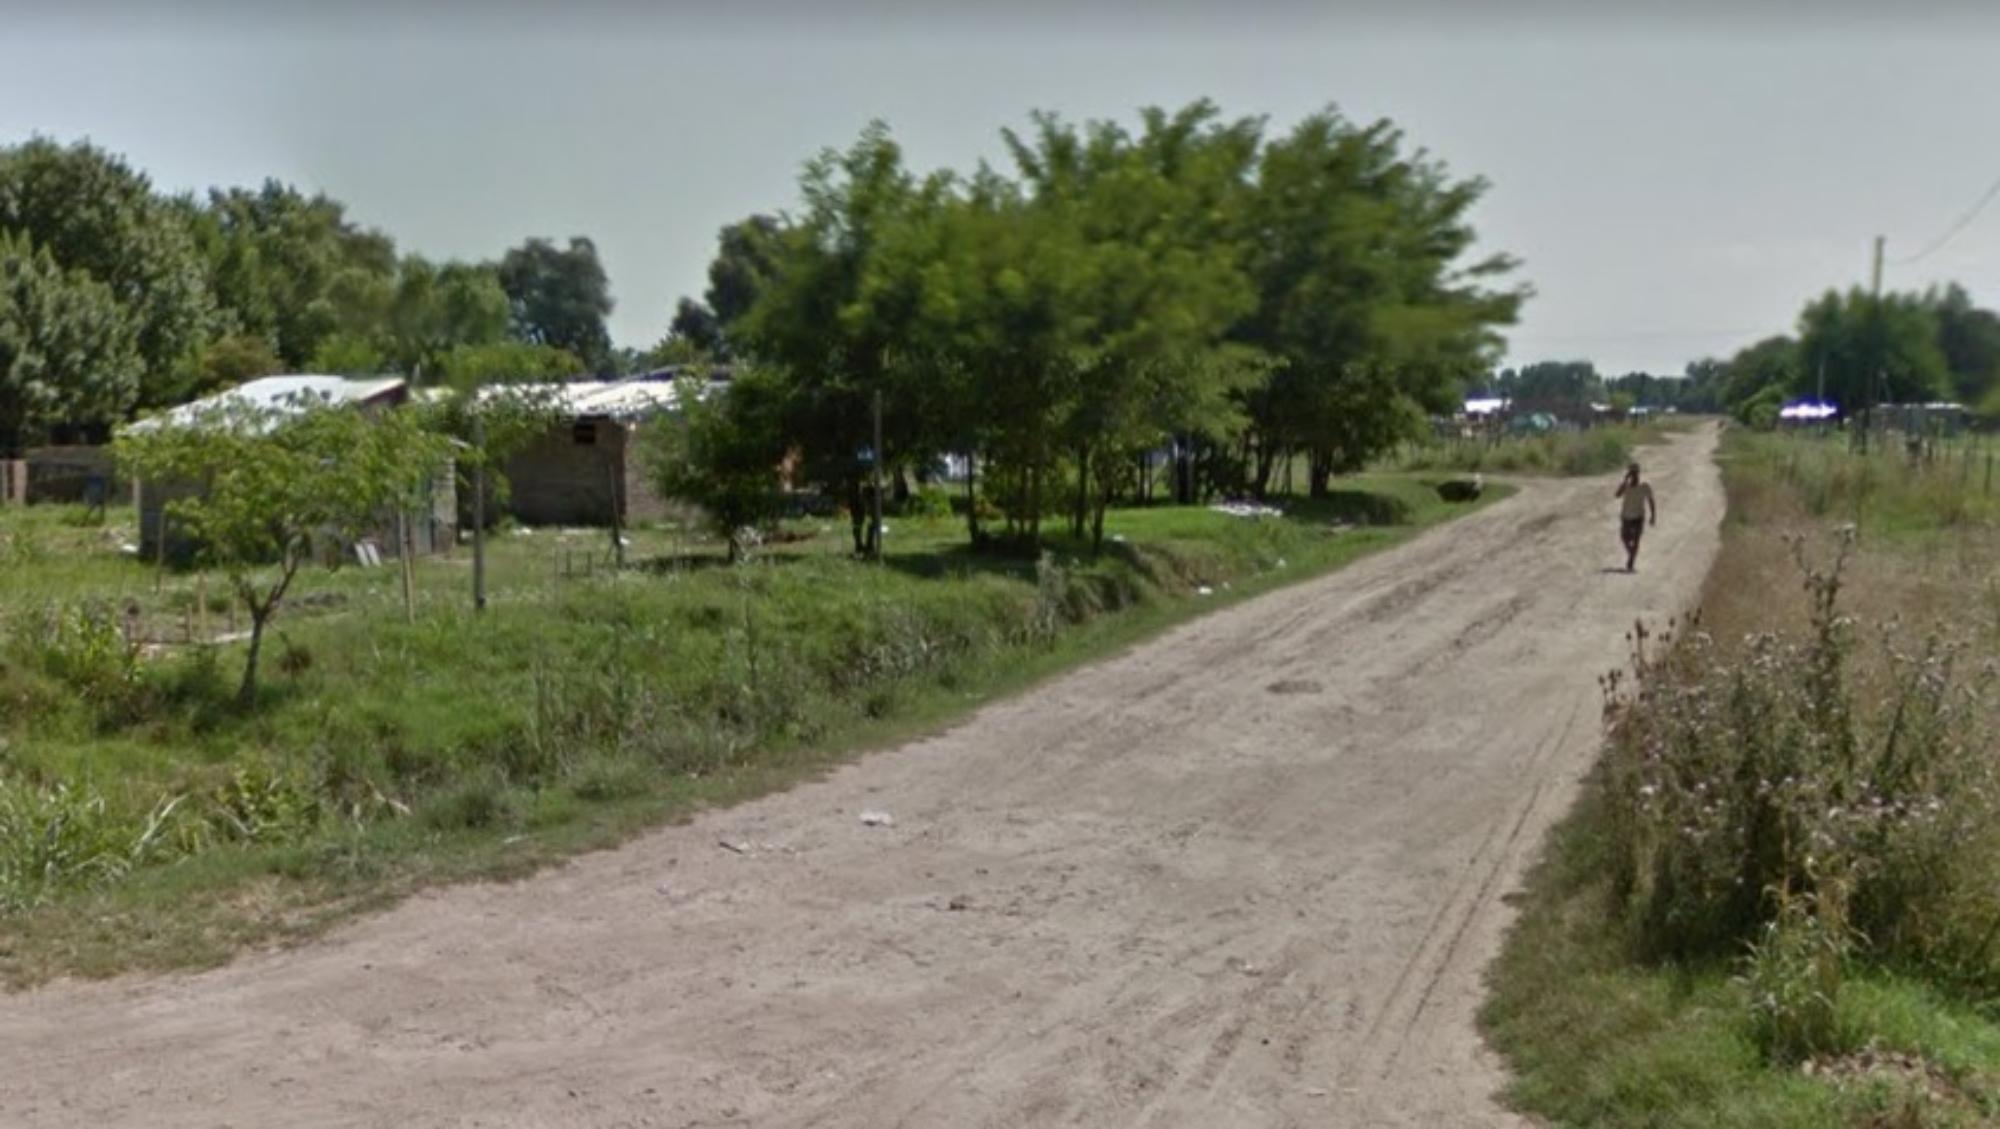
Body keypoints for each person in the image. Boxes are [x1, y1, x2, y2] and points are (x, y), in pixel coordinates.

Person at [1615, 461, 1657, 573]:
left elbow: (1651, 501)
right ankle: (1631, 554)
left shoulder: (1644, 485)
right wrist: (1624, 481)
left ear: (1638, 472)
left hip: (1638, 516)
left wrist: (1653, 516)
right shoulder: (1626, 485)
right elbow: (1617, 495)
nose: (1632, 474)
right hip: (1626, 515)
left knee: (1636, 540)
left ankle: (1631, 561)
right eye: (1631, 472)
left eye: (1634, 472)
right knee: (1625, 538)